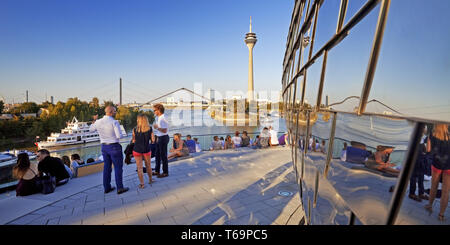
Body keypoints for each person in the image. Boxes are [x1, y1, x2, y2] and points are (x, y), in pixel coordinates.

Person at [90, 105, 129, 194]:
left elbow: (91, 130)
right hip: (114, 146)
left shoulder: (98, 122)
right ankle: (120, 188)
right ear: (111, 112)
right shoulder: (114, 122)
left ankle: (107, 187)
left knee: (107, 167)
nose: (116, 112)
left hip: (104, 147)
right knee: (118, 167)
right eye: (115, 111)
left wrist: (94, 122)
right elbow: (119, 136)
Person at [425, 124, 450, 221]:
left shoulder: (432, 134)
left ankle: (430, 206)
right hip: (449, 165)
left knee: (434, 186)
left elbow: (428, 151)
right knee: (446, 191)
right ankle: (441, 215)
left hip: (437, 164)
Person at [132, 114, 155, 189]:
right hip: (146, 149)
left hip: (137, 150)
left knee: (139, 168)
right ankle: (150, 180)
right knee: (148, 165)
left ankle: (142, 184)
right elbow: (153, 140)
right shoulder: (150, 129)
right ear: (146, 120)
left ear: (138, 120)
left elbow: (133, 141)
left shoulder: (134, 129)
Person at [409, 131, 429, 202]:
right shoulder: (414, 134)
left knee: (421, 176)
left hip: (421, 157)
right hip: (415, 156)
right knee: (413, 176)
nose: (424, 130)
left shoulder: (423, 136)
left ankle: (421, 193)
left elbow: (423, 145)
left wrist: (424, 152)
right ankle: (412, 193)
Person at [152, 103, 170, 178]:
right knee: (157, 155)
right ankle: (157, 170)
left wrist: (157, 128)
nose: (154, 112)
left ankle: (165, 172)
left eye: (154, 110)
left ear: (159, 110)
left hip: (163, 137)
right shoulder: (158, 118)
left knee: (163, 156)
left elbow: (165, 131)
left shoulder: (163, 117)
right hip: (159, 137)